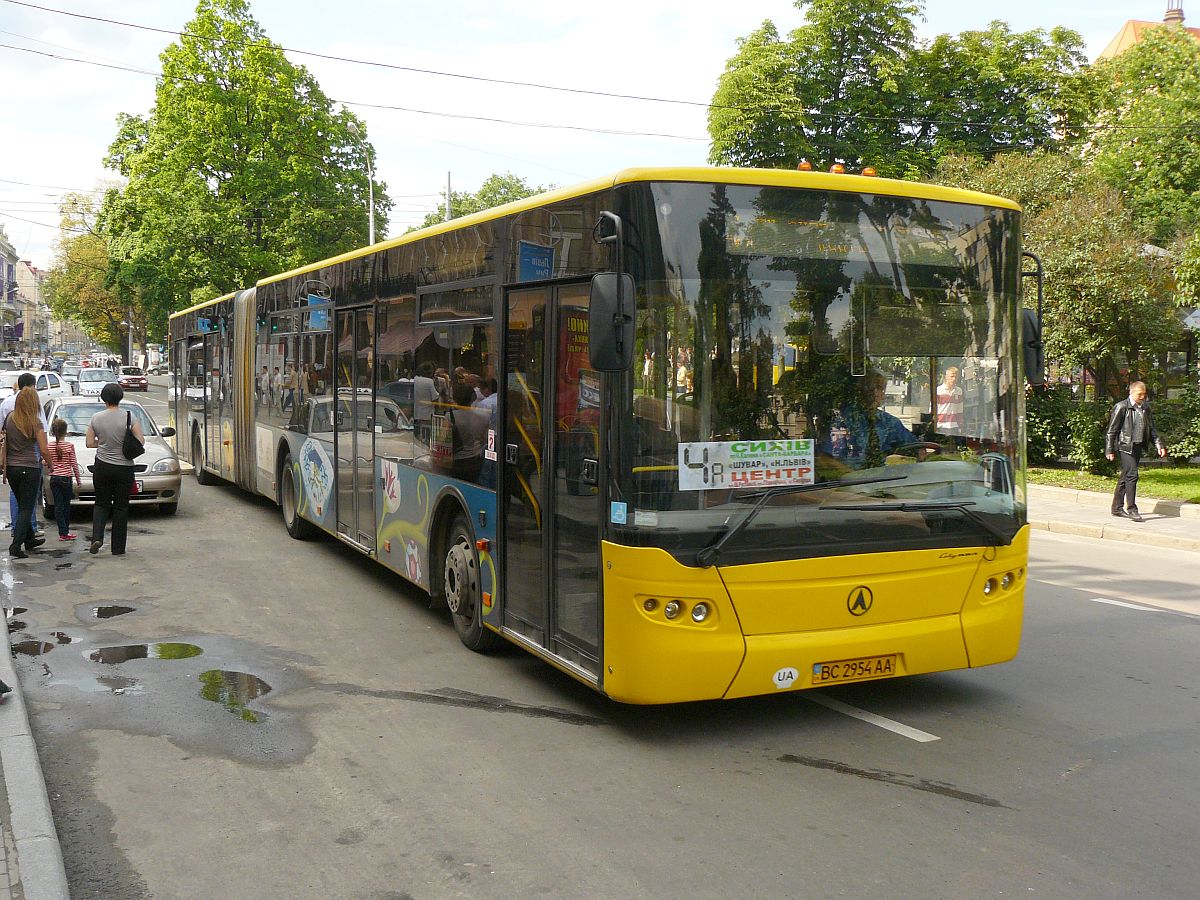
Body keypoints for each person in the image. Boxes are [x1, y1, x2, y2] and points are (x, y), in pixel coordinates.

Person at [85, 382, 144, 556]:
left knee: (101, 503)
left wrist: (102, 443)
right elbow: (140, 440)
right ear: (120, 397)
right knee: (121, 506)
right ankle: (118, 548)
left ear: (104, 398)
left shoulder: (96, 418)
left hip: (102, 466)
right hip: (124, 468)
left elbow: (89, 443)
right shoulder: (129, 416)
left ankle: (97, 537)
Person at [820, 371, 916, 464]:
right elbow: (829, 459)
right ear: (861, 391)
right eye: (871, 389)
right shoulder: (844, 421)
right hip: (851, 477)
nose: (875, 393)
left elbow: (914, 447)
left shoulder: (889, 422)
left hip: (885, 477)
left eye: (880, 389)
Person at [1105, 380, 1167, 523]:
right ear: (1131, 393)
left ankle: (1116, 508)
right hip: (1125, 446)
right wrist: (1109, 449)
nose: (1142, 397)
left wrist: (1159, 445)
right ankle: (1132, 509)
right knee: (1132, 475)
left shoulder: (1145, 407)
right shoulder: (1121, 407)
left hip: (1138, 446)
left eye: (1144, 394)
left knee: (1125, 476)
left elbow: (1151, 428)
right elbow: (1111, 431)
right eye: (1140, 394)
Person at [3, 387, 50, 558]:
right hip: (29, 468)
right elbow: (44, 449)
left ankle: (30, 540)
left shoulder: (9, 418)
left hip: (12, 469)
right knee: (26, 508)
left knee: (23, 503)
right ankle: (16, 546)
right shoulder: (35, 422)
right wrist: (50, 463)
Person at [0, 372, 45, 538]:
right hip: (30, 462)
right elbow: (43, 439)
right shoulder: (34, 417)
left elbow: (2, 431)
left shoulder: (8, 411)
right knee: (28, 504)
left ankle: (26, 536)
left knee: (17, 497)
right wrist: (48, 460)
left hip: (12, 463)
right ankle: (19, 540)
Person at [47, 416, 82, 540]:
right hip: (66, 478)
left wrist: (52, 466)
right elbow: (74, 463)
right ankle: (65, 531)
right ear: (66, 431)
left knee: (58, 505)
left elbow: (44, 462)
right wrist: (78, 479)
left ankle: (61, 532)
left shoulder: (49, 446)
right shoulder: (69, 446)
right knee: (66, 505)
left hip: (54, 478)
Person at [935, 365, 964, 434]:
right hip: (941, 426)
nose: (954, 379)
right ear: (946, 377)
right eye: (951, 376)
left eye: (956, 377)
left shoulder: (959, 391)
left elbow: (960, 410)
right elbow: (932, 410)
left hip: (954, 426)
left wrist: (960, 426)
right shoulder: (938, 391)